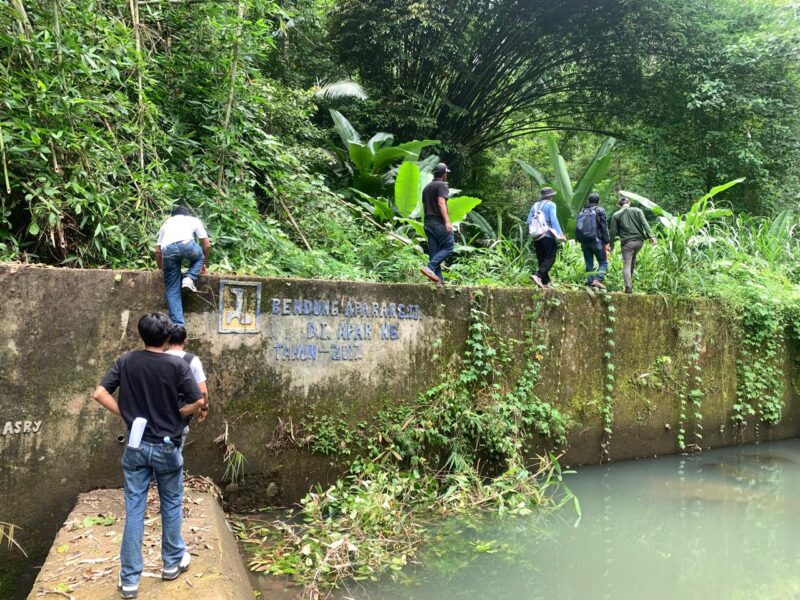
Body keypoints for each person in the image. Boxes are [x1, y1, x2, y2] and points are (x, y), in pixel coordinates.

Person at [92, 313, 206, 599]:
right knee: (171, 503)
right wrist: (175, 414)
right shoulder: (176, 364)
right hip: (167, 446)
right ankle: (172, 563)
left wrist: (128, 415)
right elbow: (198, 401)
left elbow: (99, 393)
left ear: (142, 335)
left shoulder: (125, 361)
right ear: (168, 337)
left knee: (135, 510)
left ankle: (129, 581)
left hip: (135, 444)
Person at [155, 206, 211, 327]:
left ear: (173, 215)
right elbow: (206, 245)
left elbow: (158, 251)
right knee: (200, 257)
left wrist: (161, 267)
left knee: (172, 289)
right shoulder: (193, 220)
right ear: (187, 215)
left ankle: (178, 326)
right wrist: (202, 263)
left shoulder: (167, 223)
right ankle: (189, 278)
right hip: (187, 245)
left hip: (168, 250)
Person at [166, 325, 209, 435]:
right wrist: (204, 408)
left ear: (167, 339)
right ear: (185, 340)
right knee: (175, 449)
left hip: (158, 412)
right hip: (181, 413)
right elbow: (203, 391)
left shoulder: (158, 357)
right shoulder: (192, 360)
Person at [609, 196, 656, 294]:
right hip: (639, 242)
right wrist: (651, 236)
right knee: (632, 259)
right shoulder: (638, 211)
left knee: (626, 264)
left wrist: (611, 245)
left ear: (619, 205)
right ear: (629, 203)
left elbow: (612, 231)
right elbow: (645, 224)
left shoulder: (616, 215)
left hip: (627, 243)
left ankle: (628, 287)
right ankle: (629, 285)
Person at [420, 162, 454, 285]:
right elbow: (441, 203)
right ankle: (430, 267)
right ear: (444, 174)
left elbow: (425, 206)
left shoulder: (426, 188)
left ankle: (439, 281)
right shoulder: (442, 186)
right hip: (438, 222)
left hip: (428, 222)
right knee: (449, 247)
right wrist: (447, 221)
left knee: (434, 253)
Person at [527, 187, 566, 289]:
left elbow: (528, 221)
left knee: (542, 258)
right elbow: (553, 220)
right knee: (550, 257)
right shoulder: (551, 205)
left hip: (536, 236)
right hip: (547, 235)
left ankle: (544, 282)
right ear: (551, 196)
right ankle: (538, 275)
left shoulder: (535, 206)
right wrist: (560, 233)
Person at [575, 193, 611, 289]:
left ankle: (590, 282)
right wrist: (607, 241)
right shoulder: (600, 210)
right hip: (597, 241)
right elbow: (604, 227)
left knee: (589, 262)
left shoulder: (582, 211)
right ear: (598, 201)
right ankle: (598, 279)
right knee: (603, 262)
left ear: (589, 201)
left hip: (584, 241)